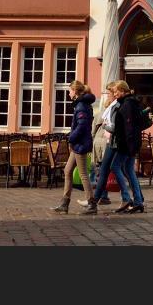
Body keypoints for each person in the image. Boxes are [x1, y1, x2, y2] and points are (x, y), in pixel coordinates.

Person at [53, 81, 97, 214]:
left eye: (70, 90)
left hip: (80, 143)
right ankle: (64, 203)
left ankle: (91, 203)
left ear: (75, 92)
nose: (68, 93)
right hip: (77, 143)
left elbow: (82, 126)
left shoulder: (81, 106)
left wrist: (71, 137)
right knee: (67, 170)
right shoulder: (80, 105)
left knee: (83, 174)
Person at [108, 81, 149, 214]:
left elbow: (129, 128)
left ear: (123, 91)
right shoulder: (130, 103)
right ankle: (138, 201)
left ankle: (127, 198)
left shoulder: (127, 105)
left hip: (126, 143)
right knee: (129, 170)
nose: (114, 94)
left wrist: (128, 145)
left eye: (116, 91)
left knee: (115, 166)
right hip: (131, 143)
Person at [88, 82, 119, 208]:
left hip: (100, 145)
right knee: (104, 171)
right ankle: (103, 196)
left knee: (101, 171)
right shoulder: (107, 114)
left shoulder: (101, 115)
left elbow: (93, 130)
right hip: (104, 144)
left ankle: (101, 196)